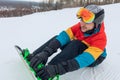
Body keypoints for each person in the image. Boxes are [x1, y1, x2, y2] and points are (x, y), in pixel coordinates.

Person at [26, 4, 107, 80]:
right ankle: (36, 57)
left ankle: (48, 70)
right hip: (79, 47)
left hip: (95, 58)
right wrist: (46, 52)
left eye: (87, 22)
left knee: (76, 44)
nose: (82, 24)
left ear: (96, 24)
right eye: (81, 20)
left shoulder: (101, 39)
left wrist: (56, 69)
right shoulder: (80, 26)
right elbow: (64, 36)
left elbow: (84, 59)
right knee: (57, 38)